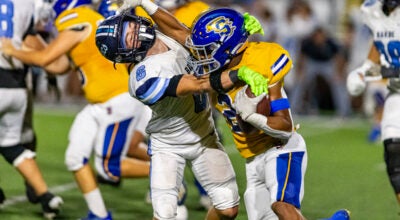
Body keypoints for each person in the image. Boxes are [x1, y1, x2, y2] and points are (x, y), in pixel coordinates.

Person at [119, 2, 351, 219]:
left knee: (281, 205)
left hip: (279, 148)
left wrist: (254, 116)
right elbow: (180, 32)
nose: (200, 55)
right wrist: (148, 4)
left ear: (229, 48)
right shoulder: (217, 61)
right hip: (251, 157)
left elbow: (285, 127)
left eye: (207, 50)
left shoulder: (260, 61)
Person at [95, 8, 269, 220]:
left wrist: (147, 3)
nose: (137, 30)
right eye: (130, 36)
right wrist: (237, 74)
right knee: (165, 215)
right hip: (169, 146)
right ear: (124, 54)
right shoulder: (141, 78)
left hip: (204, 135)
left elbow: (180, 29)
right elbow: (197, 84)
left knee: (228, 210)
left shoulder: (160, 33)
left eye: (131, 25)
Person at [0, 0, 152, 219]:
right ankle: (99, 214)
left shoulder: (77, 17)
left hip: (116, 100)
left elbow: (45, 58)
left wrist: (12, 50)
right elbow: (58, 66)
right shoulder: (90, 19)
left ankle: (164, 170)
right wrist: (22, 49)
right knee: (75, 156)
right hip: (100, 104)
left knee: (108, 169)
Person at [0, 0, 64, 218]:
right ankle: (45, 195)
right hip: (17, 84)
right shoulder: (27, 4)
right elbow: (33, 40)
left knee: (19, 139)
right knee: (12, 143)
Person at [346, 0, 400, 207]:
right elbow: (380, 42)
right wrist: (365, 69)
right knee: (393, 155)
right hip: (396, 93)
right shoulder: (372, 10)